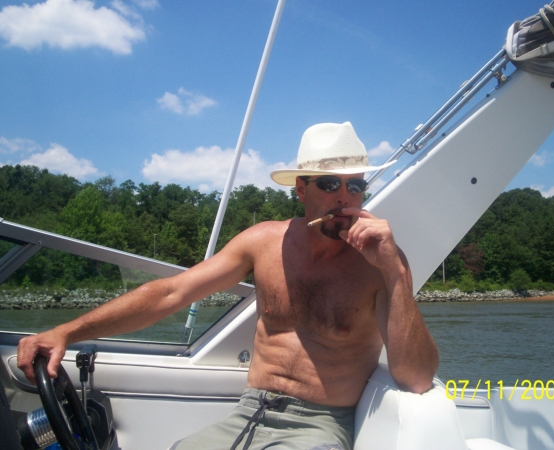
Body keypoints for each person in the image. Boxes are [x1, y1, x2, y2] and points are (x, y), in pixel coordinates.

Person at [17, 121, 439, 450]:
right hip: (249, 410)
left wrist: (396, 273)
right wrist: (66, 332)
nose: (345, 197)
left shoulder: (380, 265)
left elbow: (417, 378)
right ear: (301, 189)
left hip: (320, 425)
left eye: (356, 185)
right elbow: (171, 293)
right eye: (330, 184)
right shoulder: (263, 242)